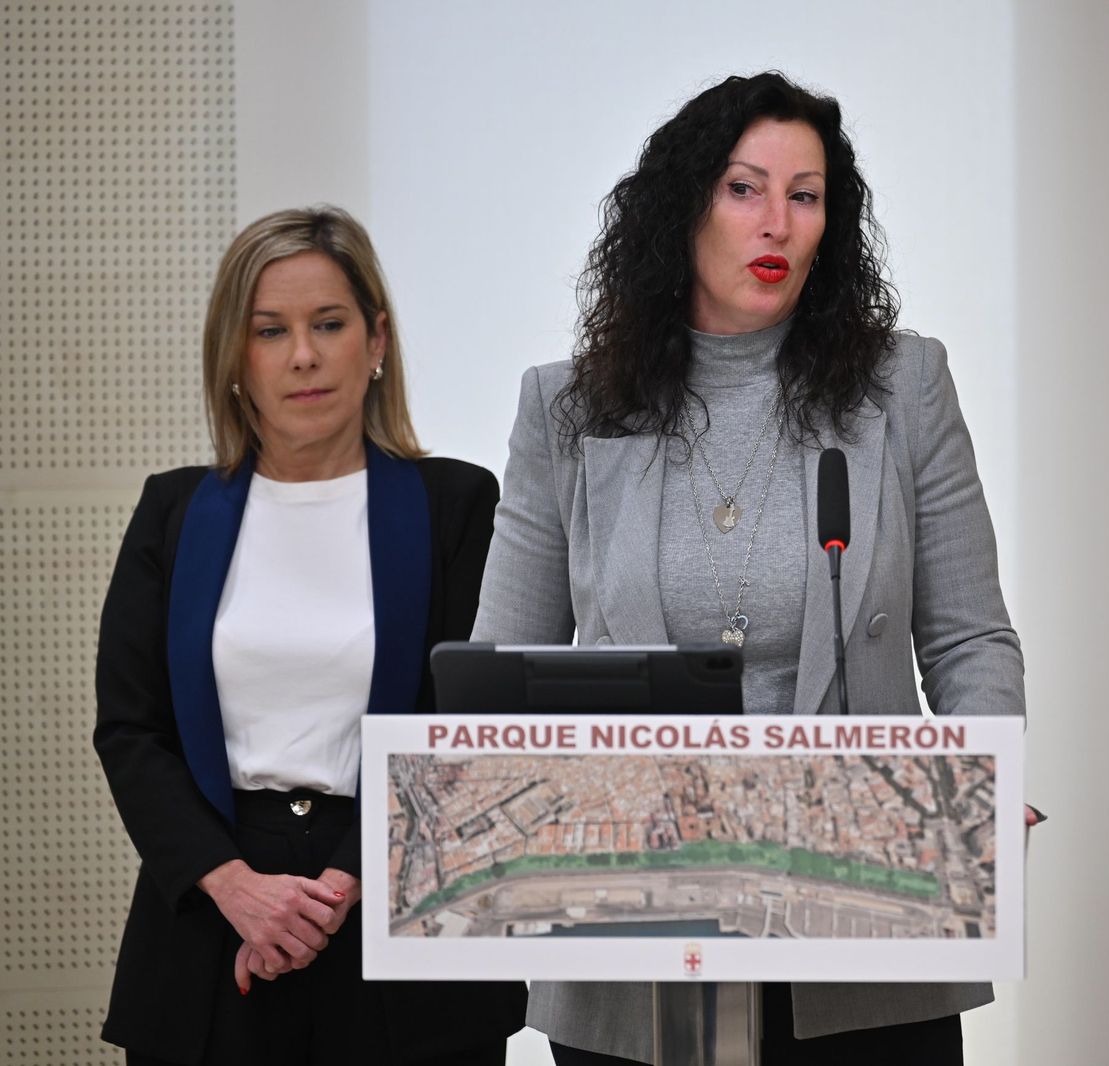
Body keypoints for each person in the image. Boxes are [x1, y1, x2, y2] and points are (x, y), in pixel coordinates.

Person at [472, 71, 1025, 1065]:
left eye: (804, 196)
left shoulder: (904, 387)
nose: (776, 222)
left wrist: (982, 775)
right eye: (744, 188)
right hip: (634, 921)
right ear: (681, 206)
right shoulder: (567, 409)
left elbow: (968, 634)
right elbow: (497, 671)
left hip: (864, 904)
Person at [93, 207, 527, 1065]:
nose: (303, 355)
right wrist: (236, 889)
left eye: (329, 324)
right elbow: (131, 730)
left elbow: (466, 731)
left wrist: (338, 883)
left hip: (401, 911)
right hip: (214, 920)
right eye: (271, 331)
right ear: (235, 359)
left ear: (377, 341)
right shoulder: (172, 513)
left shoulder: (457, 506)